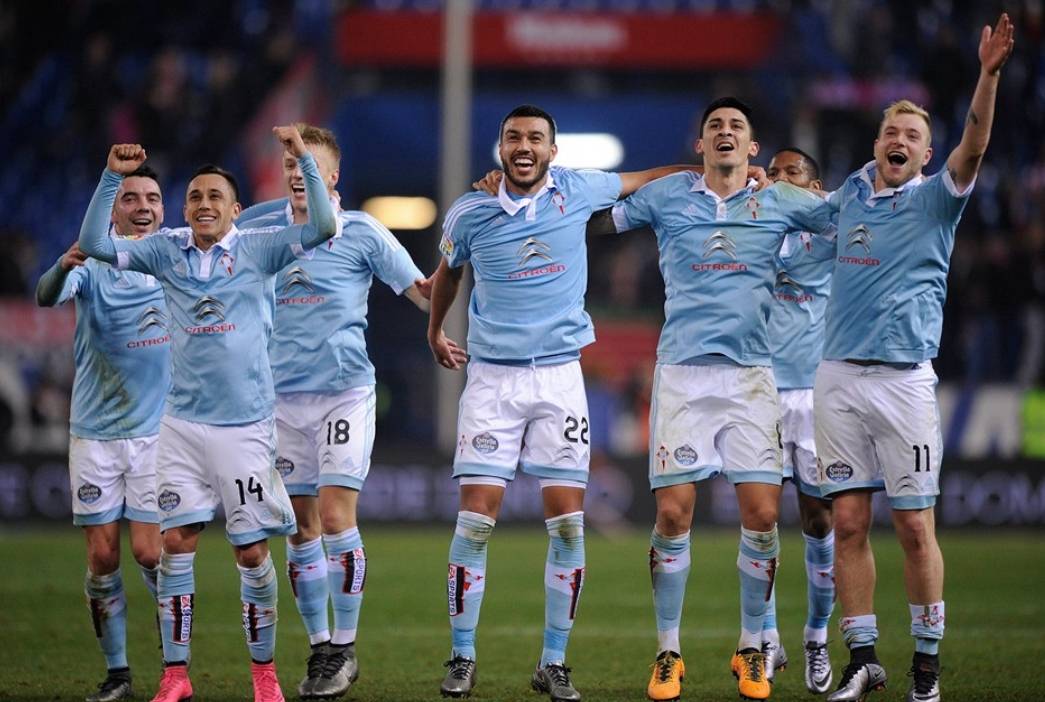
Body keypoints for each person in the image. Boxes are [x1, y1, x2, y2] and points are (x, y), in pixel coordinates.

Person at [428, 104, 695, 702]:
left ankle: (553, 661)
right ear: (500, 148)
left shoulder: (577, 190)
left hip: (558, 377)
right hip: (493, 380)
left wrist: (714, 172)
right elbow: (449, 272)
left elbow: (648, 178)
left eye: (535, 138)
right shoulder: (469, 211)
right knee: (475, 520)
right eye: (513, 137)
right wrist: (434, 330)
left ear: (552, 150)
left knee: (569, 525)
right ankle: (462, 656)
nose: (524, 146)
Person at [76, 128, 337, 702]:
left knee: (252, 552)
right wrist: (112, 176)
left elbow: (322, 227)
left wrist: (301, 160)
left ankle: (264, 677)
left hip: (245, 429)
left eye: (215, 196)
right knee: (176, 545)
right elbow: (93, 242)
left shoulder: (259, 249)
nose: (203, 204)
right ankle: (175, 677)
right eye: (194, 196)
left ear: (235, 210)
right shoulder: (165, 251)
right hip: (181, 428)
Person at [592, 97, 835, 702]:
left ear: (752, 148)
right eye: (715, 126)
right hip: (682, 376)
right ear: (700, 144)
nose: (725, 131)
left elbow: (846, 217)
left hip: (752, 378)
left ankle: (752, 646)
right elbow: (595, 221)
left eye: (737, 126)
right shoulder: (669, 196)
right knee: (673, 516)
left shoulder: (779, 200)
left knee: (762, 516)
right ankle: (668, 653)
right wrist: (541, 193)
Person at [817, 14, 1014, 702]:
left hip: (902, 383)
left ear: (926, 155)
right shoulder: (849, 194)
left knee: (911, 526)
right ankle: (862, 660)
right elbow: (804, 214)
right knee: (847, 524)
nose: (898, 141)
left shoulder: (936, 200)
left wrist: (986, 75)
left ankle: (924, 668)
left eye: (911, 136)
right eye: (890, 132)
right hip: (837, 376)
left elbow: (976, 143)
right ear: (876, 143)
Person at [237, 123, 431, 699]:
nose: (299, 174)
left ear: (333, 175)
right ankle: (321, 647)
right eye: (291, 164)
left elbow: (422, 291)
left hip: (344, 392)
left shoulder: (363, 231)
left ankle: (345, 646)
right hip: (279, 399)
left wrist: (458, 276)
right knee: (300, 528)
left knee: (336, 515)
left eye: (309, 165)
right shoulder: (257, 225)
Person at [36, 166, 170, 702]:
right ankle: (118, 673)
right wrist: (62, 265)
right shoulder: (93, 263)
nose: (143, 206)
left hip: (157, 434)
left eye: (153, 198)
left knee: (151, 554)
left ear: (163, 208)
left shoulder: (174, 260)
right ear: (113, 210)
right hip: (96, 433)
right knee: (103, 558)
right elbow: (47, 295)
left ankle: (174, 666)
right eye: (131, 198)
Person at [761, 148, 836, 694]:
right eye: (773, 171)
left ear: (814, 187)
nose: (779, 179)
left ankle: (816, 637)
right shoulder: (752, 228)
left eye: (792, 173)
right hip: (757, 391)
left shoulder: (830, 234)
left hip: (814, 393)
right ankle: (766, 638)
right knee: (758, 518)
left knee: (818, 519)